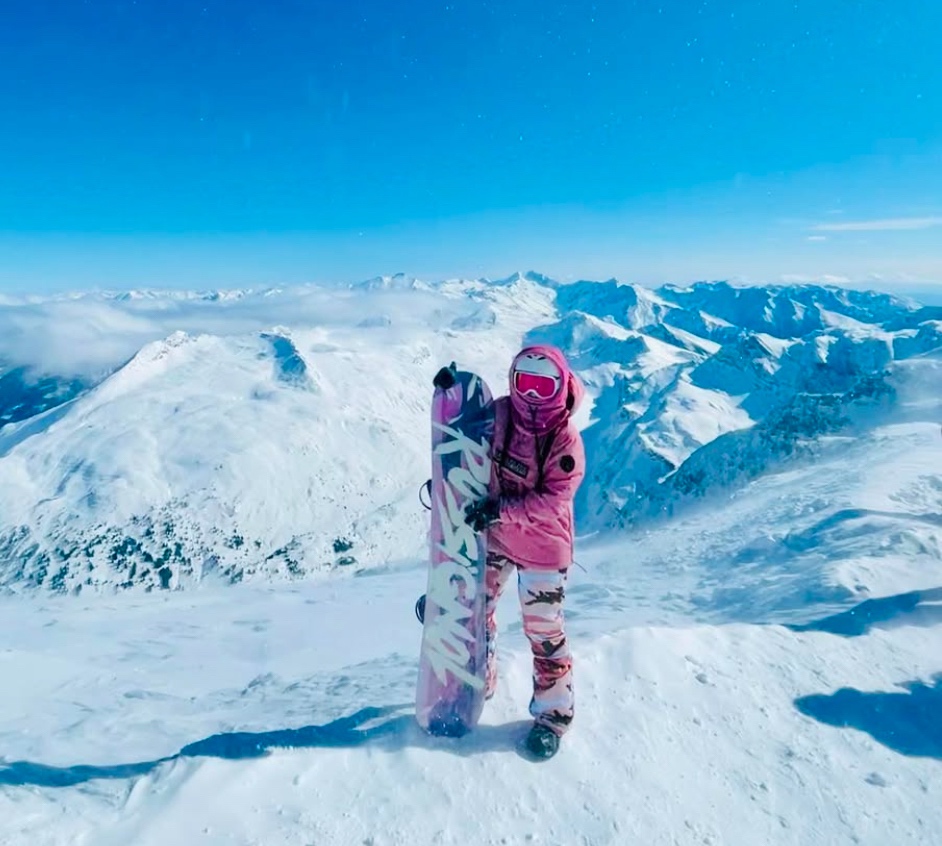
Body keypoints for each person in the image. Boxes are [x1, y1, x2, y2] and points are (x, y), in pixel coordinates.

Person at [464, 344, 585, 759]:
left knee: (544, 634)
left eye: (541, 385)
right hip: (498, 537)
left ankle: (553, 718)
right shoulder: (502, 415)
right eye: (524, 383)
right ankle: (480, 680)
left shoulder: (565, 440)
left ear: (560, 386)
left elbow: (554, 502)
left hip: (543, 549)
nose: (531, 395)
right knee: (474, 611)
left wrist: (500, 510)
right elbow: (468, 425)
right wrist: (450, 394)